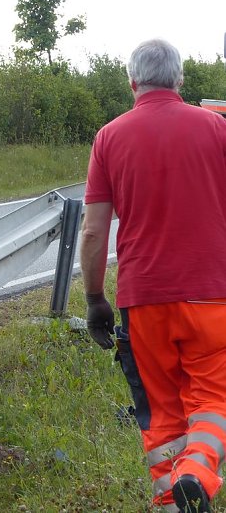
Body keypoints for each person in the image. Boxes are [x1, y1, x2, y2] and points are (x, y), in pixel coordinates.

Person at [80, 38, 226, 513]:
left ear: (132, 83)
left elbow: (94, 229)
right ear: (180, 80)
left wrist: (94, 297)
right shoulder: (216, 129)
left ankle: (172, 502)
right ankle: (198, 468)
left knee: (161, 414)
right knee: (215, 399)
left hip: (143, 299)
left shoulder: (109, 137)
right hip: (212, 292)